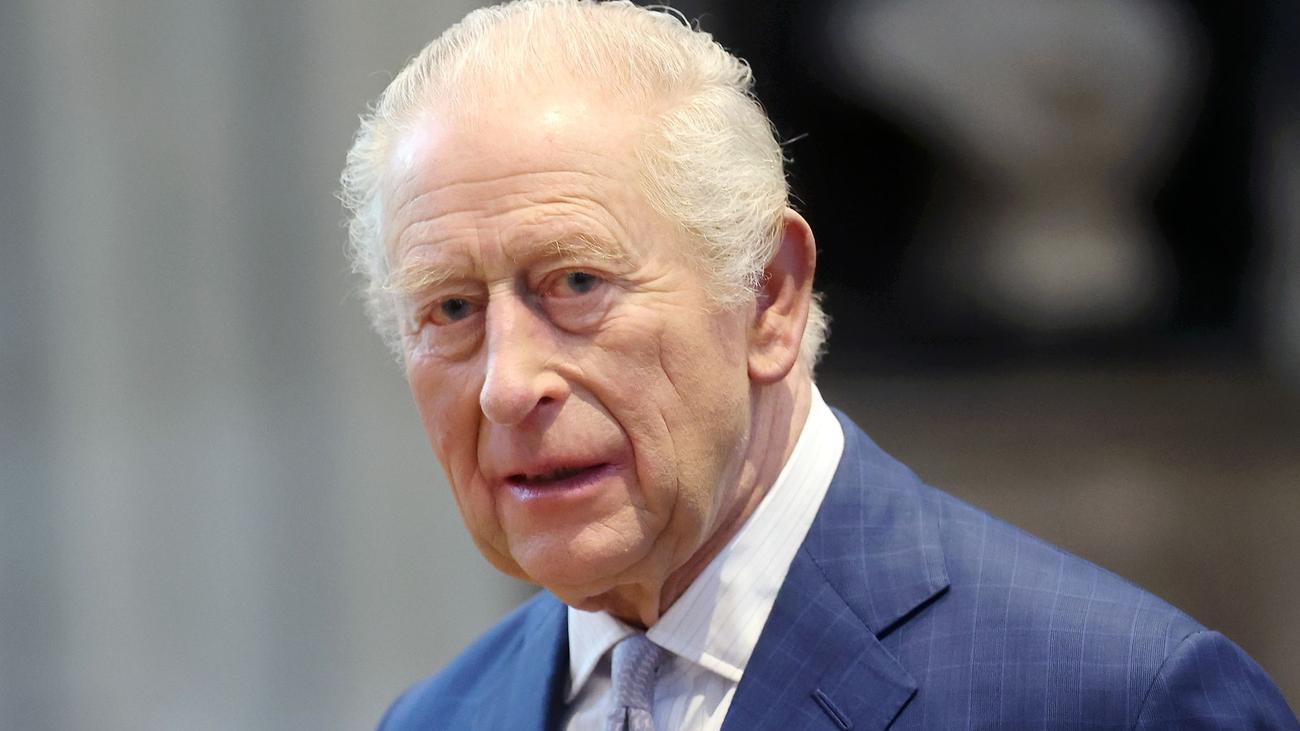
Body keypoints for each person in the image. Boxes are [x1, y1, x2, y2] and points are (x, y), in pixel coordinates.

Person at [340, 1, 1299, 728]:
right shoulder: (438, 718)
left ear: (769, 297)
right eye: (451, 309)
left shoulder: (1119, 699)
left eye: (577, 282)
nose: (509, 385)